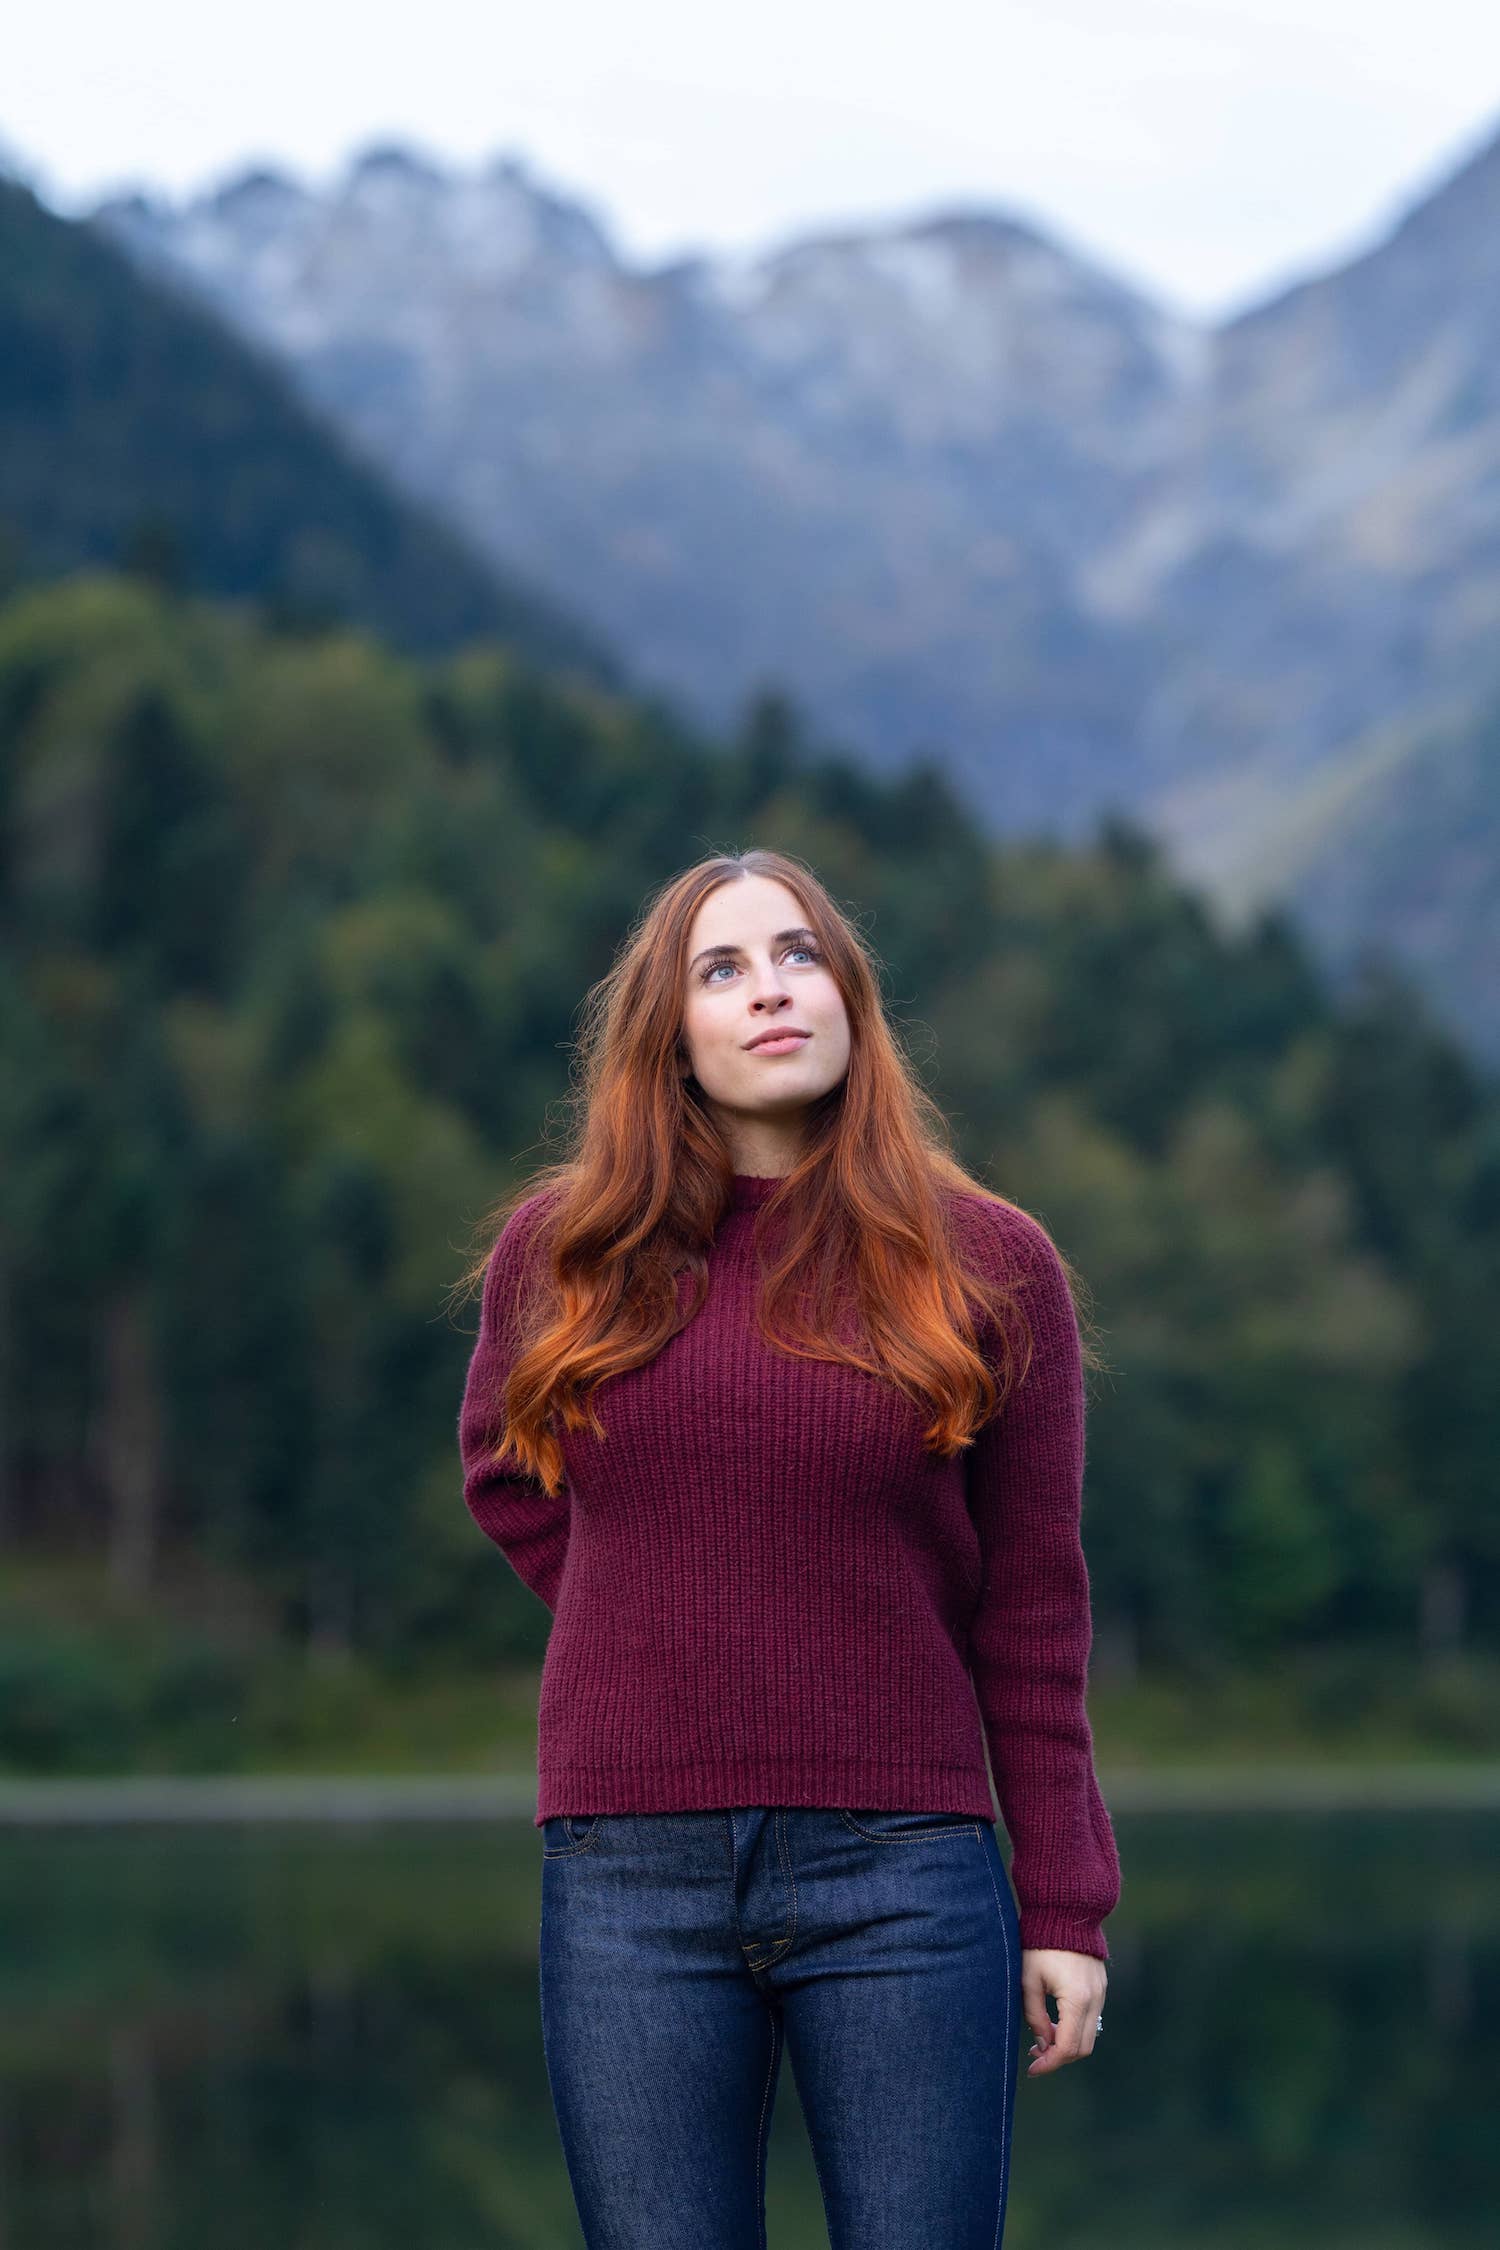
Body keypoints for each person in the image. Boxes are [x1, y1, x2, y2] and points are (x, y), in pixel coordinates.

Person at [456, 846, 1121, 2249]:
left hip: (906, 1876)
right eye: (724, 967)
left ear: (851, 998)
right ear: (672, 1035)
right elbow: (505, 1474)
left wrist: (1065, 1898)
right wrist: (655, 1608)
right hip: (629, 1875)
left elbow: (1036, 1613)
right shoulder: (560, 1253)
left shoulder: (990, 1265)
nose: (771, 991)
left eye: (799, 954)